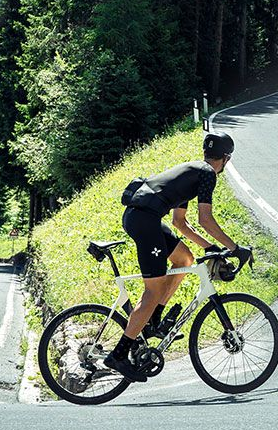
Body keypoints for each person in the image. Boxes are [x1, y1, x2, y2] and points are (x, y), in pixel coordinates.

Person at [103, 130, 251, 382]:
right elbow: (205, 219)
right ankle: (118, 355)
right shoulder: (207, 175)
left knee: (184, 259)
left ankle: (153, 322)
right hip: (145, 220)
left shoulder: (193, 170)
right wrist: (234, 248)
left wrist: (210, 248)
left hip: (142, 216)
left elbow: (179, 223)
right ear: (226, 158)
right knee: (152, 292)